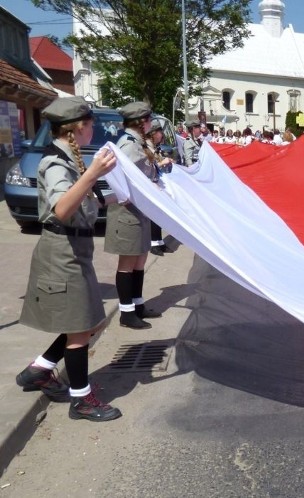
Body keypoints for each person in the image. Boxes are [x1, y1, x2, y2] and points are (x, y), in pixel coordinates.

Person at [15, 96, 122, 421]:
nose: (94, 130)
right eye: (91, 125)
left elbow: (88, 200)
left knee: (86, 322)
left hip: (74, 251)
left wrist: (127, 193)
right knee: (81, 328)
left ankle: (40, 370)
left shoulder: (70, 158)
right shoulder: (54, 163)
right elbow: (62, 208)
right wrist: (91, 174)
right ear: (77, 128)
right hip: (62, 254)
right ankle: (82, 401)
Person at [104, 102, 162, 330]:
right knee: (127, 263)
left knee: (139, 260)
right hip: (127, 211)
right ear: (140, 122)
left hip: (139, 210)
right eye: (148, 120)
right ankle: (126, 312)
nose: (150, 124)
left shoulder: (138, 142)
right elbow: (120, 179)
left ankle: (137, 305)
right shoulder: (128, 145)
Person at [145, 120, 174, 256]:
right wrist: (163, 162)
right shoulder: (147, 147)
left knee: (159, 214)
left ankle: (159, 241)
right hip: (151, 183)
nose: (162, 134)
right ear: (153, 133)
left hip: (157, 182)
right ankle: (154, 243)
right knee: (154, 214)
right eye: (159, 131)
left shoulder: (154, 147)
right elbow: (148, 166)